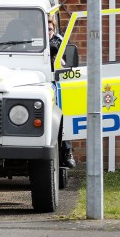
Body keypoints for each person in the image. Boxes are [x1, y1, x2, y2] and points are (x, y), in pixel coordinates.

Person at [49, 15, 76, 169]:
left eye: (50, 29)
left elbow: (67, 65)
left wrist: (57, 56)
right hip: (42, 84)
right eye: (45, 29)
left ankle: (67, 153)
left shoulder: (60, 42)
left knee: (63, 119)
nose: (48, 31)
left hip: (58, 85)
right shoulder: (33, 41)